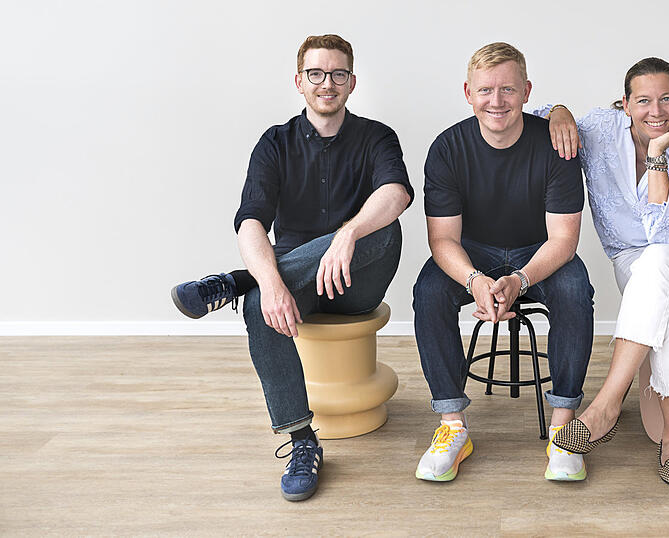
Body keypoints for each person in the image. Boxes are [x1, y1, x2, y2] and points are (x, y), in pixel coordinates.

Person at [170, 35, 413, 501]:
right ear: (299, 82)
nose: (328, 83)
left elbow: (397, 193)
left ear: (352, 82)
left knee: (379, 227)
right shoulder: (274, 143)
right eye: (317, 74)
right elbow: (250, 221)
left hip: (358, 278)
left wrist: (348, 233)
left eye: (338, 74)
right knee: (263, 298)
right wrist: (269, 280)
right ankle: (303, 441)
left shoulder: (376, 136)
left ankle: (234, 281)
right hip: (300, 280)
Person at [543, 57, 669, 488]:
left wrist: (656, 156)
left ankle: (606, 405)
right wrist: (559, 110)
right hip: (635, 261)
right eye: (644, 101)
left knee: (660, 260)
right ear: (624, 104)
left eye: (667, 99)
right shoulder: (600, 127)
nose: (656, 111)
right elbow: (540, 118)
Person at [411, 42, 594, 482]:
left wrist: (520, 278)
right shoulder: (447, 149)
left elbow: (564, 240)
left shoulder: (556, 144)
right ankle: (452, 426)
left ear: (527, 91)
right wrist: (475, 280)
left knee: (574, 288)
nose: (497, 101)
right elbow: (442, 239)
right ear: (468, 92)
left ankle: (563, 428)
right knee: (429, 291)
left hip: (539, 251)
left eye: (509, 90)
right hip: (472, 251)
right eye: (486, 90)